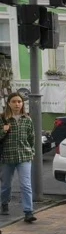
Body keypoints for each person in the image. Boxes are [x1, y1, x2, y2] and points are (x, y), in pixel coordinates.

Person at [0, 93, 36, 222]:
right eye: (14, 101)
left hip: (24, 157)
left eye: (19, 102)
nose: (17, 104)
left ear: (22, 104)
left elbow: (31, 138)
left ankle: (28, 212)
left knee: (25, 184)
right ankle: (4, 203)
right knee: (6, 185)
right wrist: (3, 130)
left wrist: (32, 152)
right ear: (9, 103)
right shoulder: (3, 118)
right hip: (7, 157)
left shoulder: (27, 119)